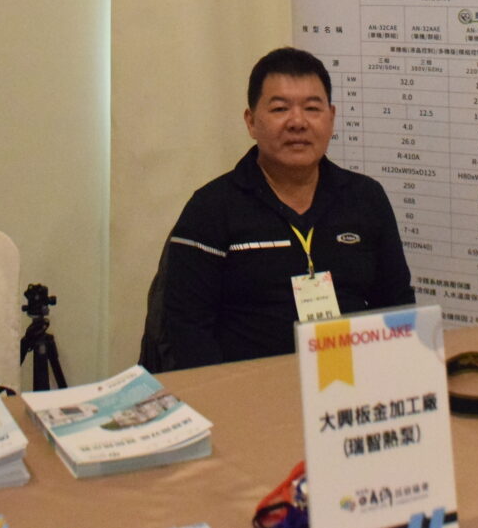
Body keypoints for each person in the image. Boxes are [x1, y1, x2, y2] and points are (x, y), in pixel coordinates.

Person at [142, 47, 414, 371]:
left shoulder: (366, 198)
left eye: (312, 108)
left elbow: (397, 306)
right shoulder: (211, 208)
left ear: (331, 117)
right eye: (280, 108)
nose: (297, 122)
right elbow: (187, 330)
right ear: (251, 122)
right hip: (250, 389)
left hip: (351, 383)